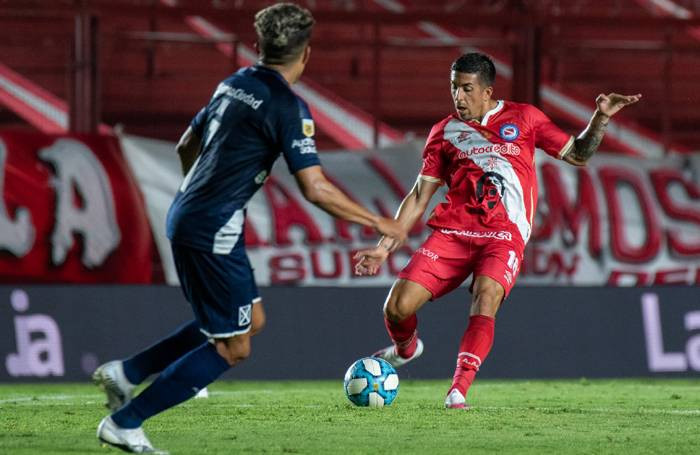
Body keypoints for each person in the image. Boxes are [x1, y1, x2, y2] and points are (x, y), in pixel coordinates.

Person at [93, 3, 405, 453]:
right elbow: (315, 188)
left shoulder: (233, 84)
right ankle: (126, 422)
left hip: (192, 213)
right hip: (213, 226)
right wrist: (379, 221)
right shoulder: (287, 106)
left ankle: (128, 373)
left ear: (259, 46)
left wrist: (201, 195)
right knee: (233, 348)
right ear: (306, 54)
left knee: (249, 320)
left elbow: (187, 144)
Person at [354, 52, 640, 409]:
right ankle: (406, 349)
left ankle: (457, 391)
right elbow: (418, 196)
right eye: (454, 88)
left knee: (486, 296)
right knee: (396, 307)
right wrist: (384, 248)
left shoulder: (525, 118)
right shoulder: (444, 132)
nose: (459, 97)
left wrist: (600, 117)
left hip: (503, 236)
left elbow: (579, 155)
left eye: (467, 89)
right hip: (454, 233)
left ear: (488, 91)